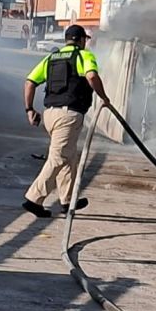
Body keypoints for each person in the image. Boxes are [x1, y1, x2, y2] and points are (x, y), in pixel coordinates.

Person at [22, 24, 115, 218]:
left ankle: (67, 200)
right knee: (58, 158)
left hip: (50, 115)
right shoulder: (84, 55)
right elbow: (91, 76)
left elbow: (30, 82)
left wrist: (30, 109)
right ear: (81, 40)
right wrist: (104, 98)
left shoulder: (51, 58)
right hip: (69, 115)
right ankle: (34, 199)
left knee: (69, 157)